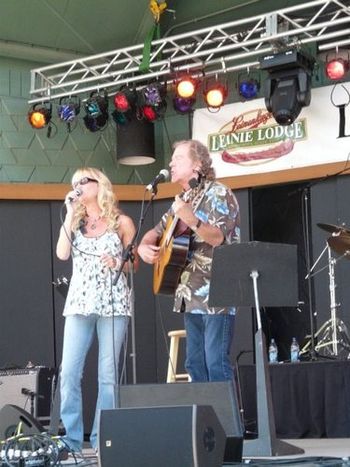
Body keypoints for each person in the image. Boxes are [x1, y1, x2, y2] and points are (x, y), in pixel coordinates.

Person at [138, 139, 240, 382]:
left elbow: (217, 238)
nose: (171, 163)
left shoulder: (218, 193)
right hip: (188, 294)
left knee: (215, 362)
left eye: (178, 159)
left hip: (217, 293)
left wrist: (192, 219)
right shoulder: (182, 200)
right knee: (195, 364)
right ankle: (205, 419)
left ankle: (228, 420)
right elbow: (156, 232)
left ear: (197, 166)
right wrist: (143, 246)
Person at [56, 167, 137, 453]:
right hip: (80, 302)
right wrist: (69, 212)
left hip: (113, 302)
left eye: (83, 181)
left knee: (107, 373)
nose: (77, 186)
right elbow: (62, 254)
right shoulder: (74, 223)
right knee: (69, 372)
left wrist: (118, 263)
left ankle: (104, 439)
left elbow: (133, 263)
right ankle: (71, 440)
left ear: (98, 184)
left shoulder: (121, 222)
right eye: (73, 182)